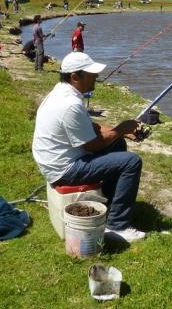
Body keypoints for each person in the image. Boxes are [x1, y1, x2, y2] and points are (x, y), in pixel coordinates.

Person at [32, 52, 146, 242]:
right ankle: (117, 227)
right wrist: (120, 128)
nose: (96, 77)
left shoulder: (62, 91)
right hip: (64, 169)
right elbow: (93, 146)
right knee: (132, 162)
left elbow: (91, 127)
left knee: (118, 142)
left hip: (56, 160)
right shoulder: (70, 104)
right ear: (75, 77)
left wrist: (121, 133)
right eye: (91, 73)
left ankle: (111, 205)